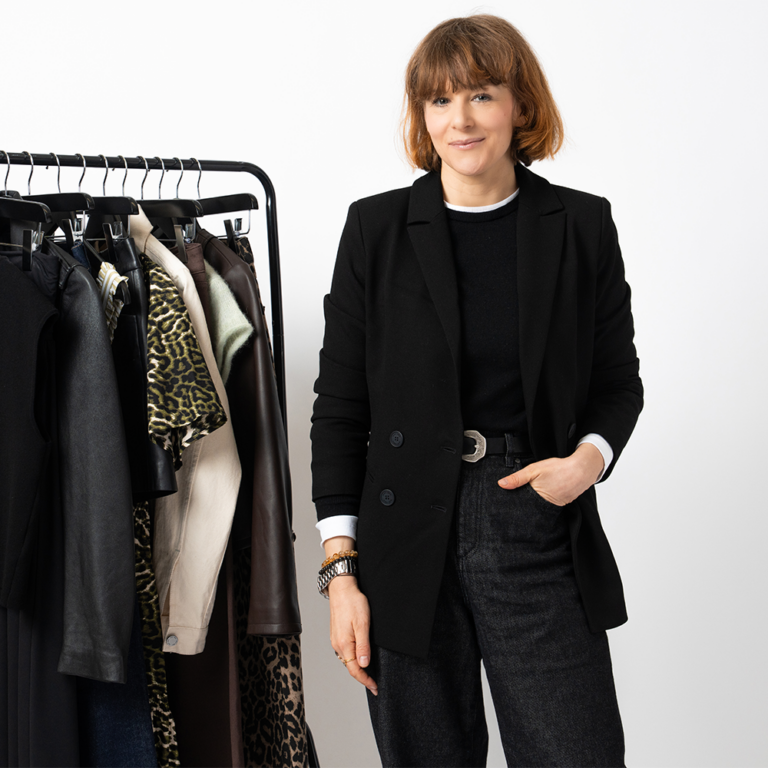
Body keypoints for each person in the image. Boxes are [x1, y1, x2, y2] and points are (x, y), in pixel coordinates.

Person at [310, 13, 642, 768]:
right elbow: (339, 413)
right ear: (421, 116)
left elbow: (618, 383)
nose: (458, 120)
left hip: (531, 515)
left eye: (481, 96)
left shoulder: (580, 225)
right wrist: (341, 574)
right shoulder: (375, 230)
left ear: (520, 106)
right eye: (438, 101)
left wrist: (583, 465)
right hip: (401, 542)